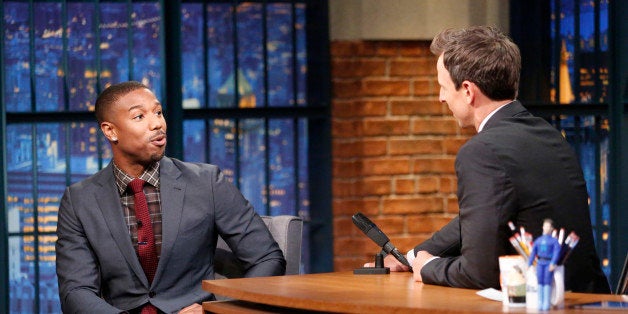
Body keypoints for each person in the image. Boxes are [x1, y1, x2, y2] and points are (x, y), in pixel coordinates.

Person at [366, 26, 610, 293]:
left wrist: (428, 267)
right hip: (590, 300)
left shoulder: (482, 151)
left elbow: (479, 274)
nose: (441, 97)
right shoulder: (548, 135)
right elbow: (480, 219)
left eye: (443, 87)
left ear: (468, 91)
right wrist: (411, 258)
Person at [55, 81, 286, 313]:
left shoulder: (207, 182)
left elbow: (267, 258)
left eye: (158, 112)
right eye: (139, 117)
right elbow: (76, 291)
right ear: (110, 131)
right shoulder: (79, 200)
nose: (157, 124)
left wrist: (218, 309)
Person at [528, 219, 561, 310]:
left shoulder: (554, 241)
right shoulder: (538, 240)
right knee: (540, 281)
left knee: (547, 281)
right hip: (540, 263)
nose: (546, 228)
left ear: (552, 228)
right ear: (542, 227)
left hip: (548, 263)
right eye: (545, 226)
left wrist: (553, 263)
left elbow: (556, 252)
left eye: (548, 226)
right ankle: (540, 302)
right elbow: (533, 252)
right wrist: (529, 263)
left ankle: (546, 302)